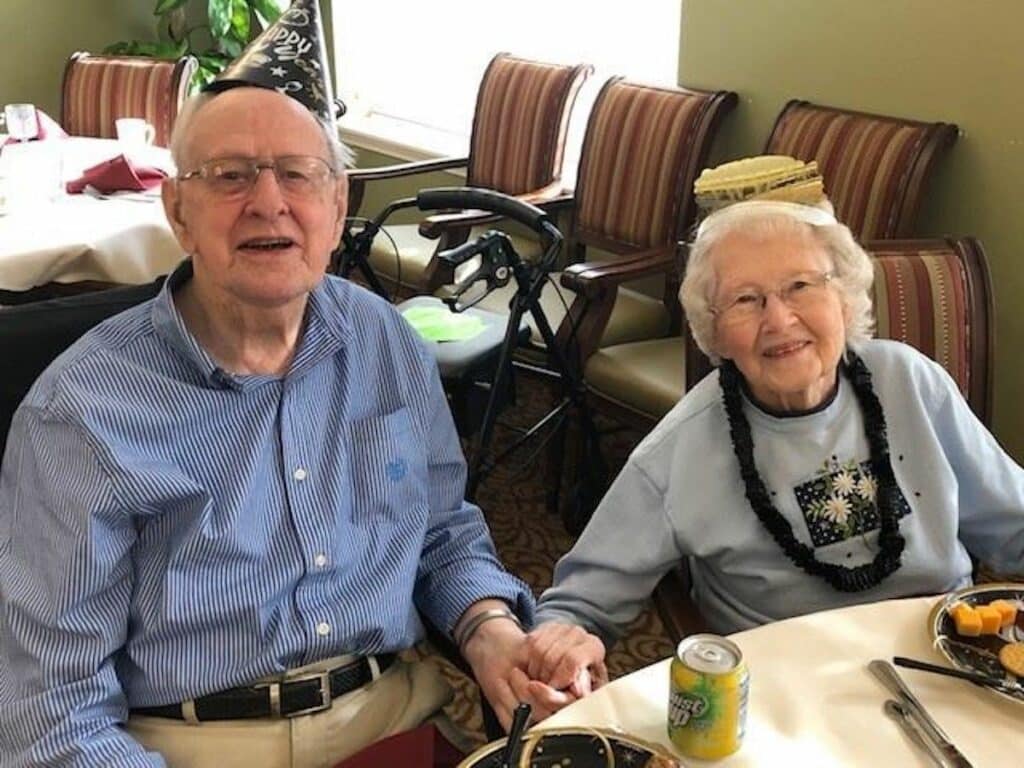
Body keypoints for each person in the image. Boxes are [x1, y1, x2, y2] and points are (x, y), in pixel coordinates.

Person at [0, 3, 590, 766]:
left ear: (338, 205)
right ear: (178, 209)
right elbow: (50, 709)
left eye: (297, 174)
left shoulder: (383, 341)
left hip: (392, 717)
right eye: (231, 176)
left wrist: (490, 632)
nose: (269, 202)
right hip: (194, 745)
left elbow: (442, 532)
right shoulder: (81, 413)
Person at [526, 155, 1024, 678]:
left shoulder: (912, 383)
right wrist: (564, 646)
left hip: (948, 668)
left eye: (801, 287)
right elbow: (576, 608)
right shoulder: (683, 446)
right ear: (713, 329)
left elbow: (1014, 525)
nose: (780, 320)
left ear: (845, 297)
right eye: (746, 299)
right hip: (789, 694)